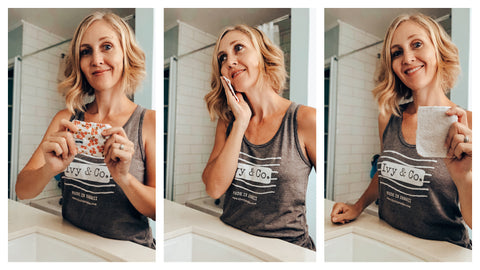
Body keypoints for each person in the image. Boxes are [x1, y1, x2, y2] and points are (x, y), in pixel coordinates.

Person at [330, 13, 472, 249]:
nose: (407, 58)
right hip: (387, 242)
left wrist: (465, 179)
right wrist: (358, 205)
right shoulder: (388, 118)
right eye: (397, 52)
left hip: (440, 253)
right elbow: (383, 171)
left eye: (416, 44)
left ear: (437, 49)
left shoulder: (469, 123)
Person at [15, 12, 156, 249]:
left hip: (128, 253)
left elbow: (157, 211)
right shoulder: (65, 118)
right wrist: (49, 169)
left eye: (107, 46)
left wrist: (124, 178)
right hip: (71, 247)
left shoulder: (148, 122)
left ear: (126, 53)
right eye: (86, 51)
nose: (96, 59)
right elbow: (22, 190)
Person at [202, 24, 316, 250]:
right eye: (222, 58)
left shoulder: (305, 119)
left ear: (263, 55)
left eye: (239, 48)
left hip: (287, 252)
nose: (229, 61)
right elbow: (214, 188)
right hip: (233, 246)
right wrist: (241, 122)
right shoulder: (229, 121)